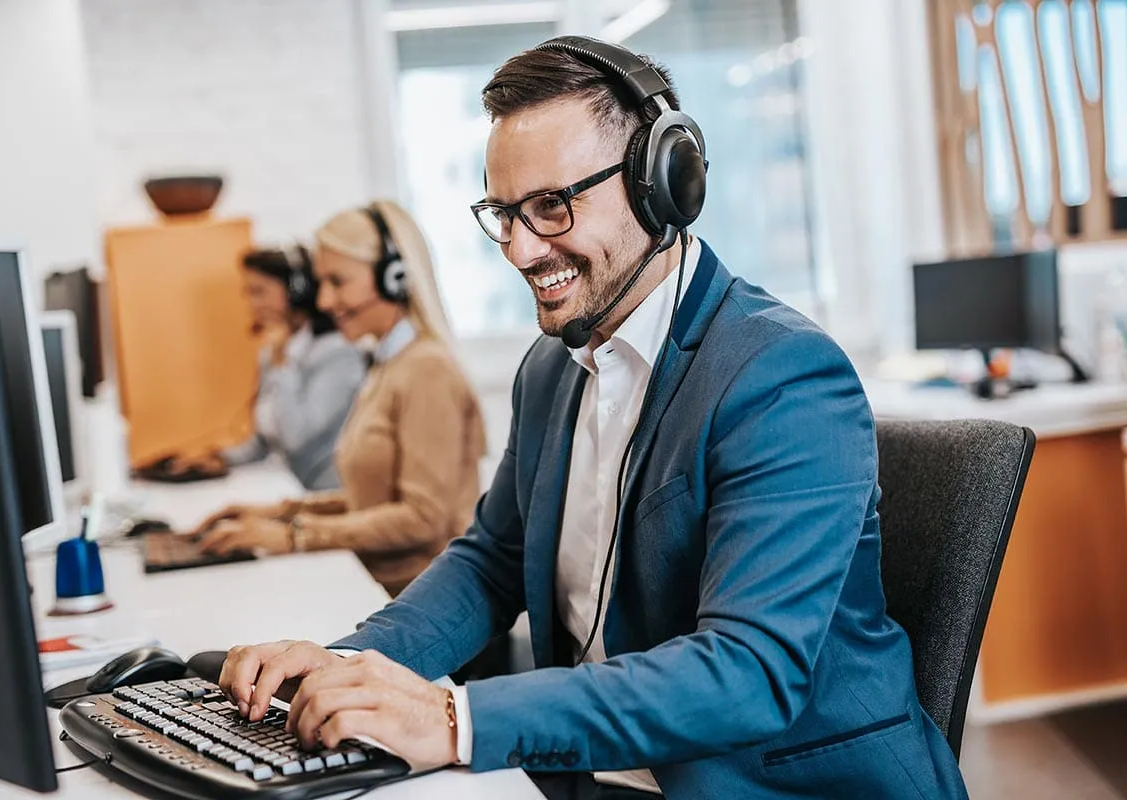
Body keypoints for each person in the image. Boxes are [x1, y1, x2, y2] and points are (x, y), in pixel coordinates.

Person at [213, 37, 969, 800]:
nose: (519, 249)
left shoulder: (781, 376)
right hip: (585, 771)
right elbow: (493, 559)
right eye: (503, 213)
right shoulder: (550, 368)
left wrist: (455, 718)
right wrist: (346, 666)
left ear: (662, 186)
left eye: (551, 206)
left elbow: (750, 673)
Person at [196, 201, 487, 597]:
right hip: (390, 588)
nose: (324, 302)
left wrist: (295, 535)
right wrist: (278, 514)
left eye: (338, 281)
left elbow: (423, 518)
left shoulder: (427, 371)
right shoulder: (388, 365)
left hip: (425, 600)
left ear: (394, 277)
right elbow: (374, 500)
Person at [172, 245, 365, 490]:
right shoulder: (272, 352)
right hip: (288, 489)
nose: (252, 304)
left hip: (328, 496)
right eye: (248, 294)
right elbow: (266, 440)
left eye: (259, 292)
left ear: (296, 291)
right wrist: (219, 458)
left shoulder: (338, 355)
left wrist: (283, 363)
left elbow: (295, 437)